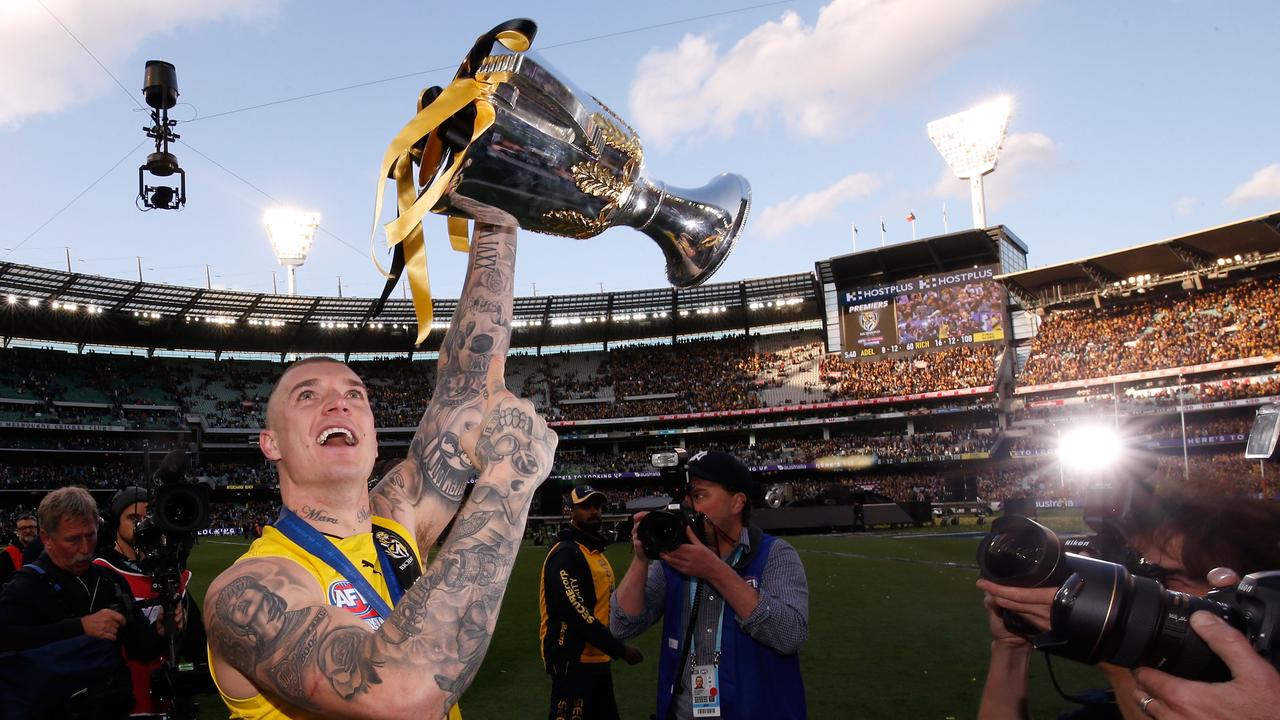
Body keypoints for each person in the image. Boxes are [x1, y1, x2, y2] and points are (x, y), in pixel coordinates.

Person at [203, 222, 558, 720]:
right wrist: (509, 480)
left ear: (372, 436)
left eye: (355, 395)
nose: (337, 404)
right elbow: (403, 697)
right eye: (308, 396)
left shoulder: (399, 516)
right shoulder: (247, 591)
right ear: (271, 443)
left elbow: (469, 385)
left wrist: (496, 226)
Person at [976, 485, 1280, 719]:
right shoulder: (1107, 708)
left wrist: (1116, 642)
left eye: (1167, 581)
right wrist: (1011, 646)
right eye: (1137, 576)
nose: (1144, 595)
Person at [611, 450, 809, 720]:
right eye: (687, 498)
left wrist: (716, 571)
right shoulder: (675, 558)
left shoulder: (775, 555)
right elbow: (621, 626)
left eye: (700, 495)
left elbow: (789, 636)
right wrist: (642, 557)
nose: (689, 506)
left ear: (737, 502)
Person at [0, 487, 164, 718]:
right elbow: (8, 643)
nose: (86, 549)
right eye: (73, 539)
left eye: (91, 535)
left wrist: (161, 630)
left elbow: (143, 651)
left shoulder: (110, 581)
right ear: (46, 538)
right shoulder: (24, 587)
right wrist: (80, 628)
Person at [95, 486, 207, 718]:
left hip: (171, 704)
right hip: (125, 705)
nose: (143, 525)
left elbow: (198, 647)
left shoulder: (172, 574)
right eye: (133, 518)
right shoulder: (100, 572)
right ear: (115, 522)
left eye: (148, 518)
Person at [539, 484, 643, 720]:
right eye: (585, 506)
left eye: (597, 505)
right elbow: (576, 612)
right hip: (574, 664)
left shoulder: (594, 553)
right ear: (571, 511)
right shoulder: (566, 553)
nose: (594, 511)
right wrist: (620, 649)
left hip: (597, 661)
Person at [0, 512, 38, 586]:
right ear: (17, 531)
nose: (28, 531)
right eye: (23, 528)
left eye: (31, 527)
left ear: (37, 529)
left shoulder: (47, 550)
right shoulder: (7, 555)